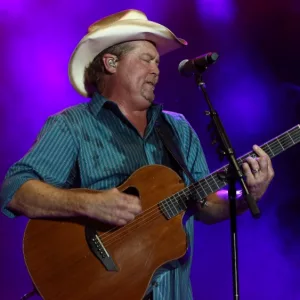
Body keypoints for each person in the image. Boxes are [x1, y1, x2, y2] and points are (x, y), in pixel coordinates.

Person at [0, 9, 274, 300]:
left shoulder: (178, 128)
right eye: (146, 59)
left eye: (157, 61)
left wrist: (247, 197)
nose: (156, 69)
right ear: (111, 62)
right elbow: (14, 190)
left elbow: (203, 204)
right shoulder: (71, 126)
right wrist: (92, 204)